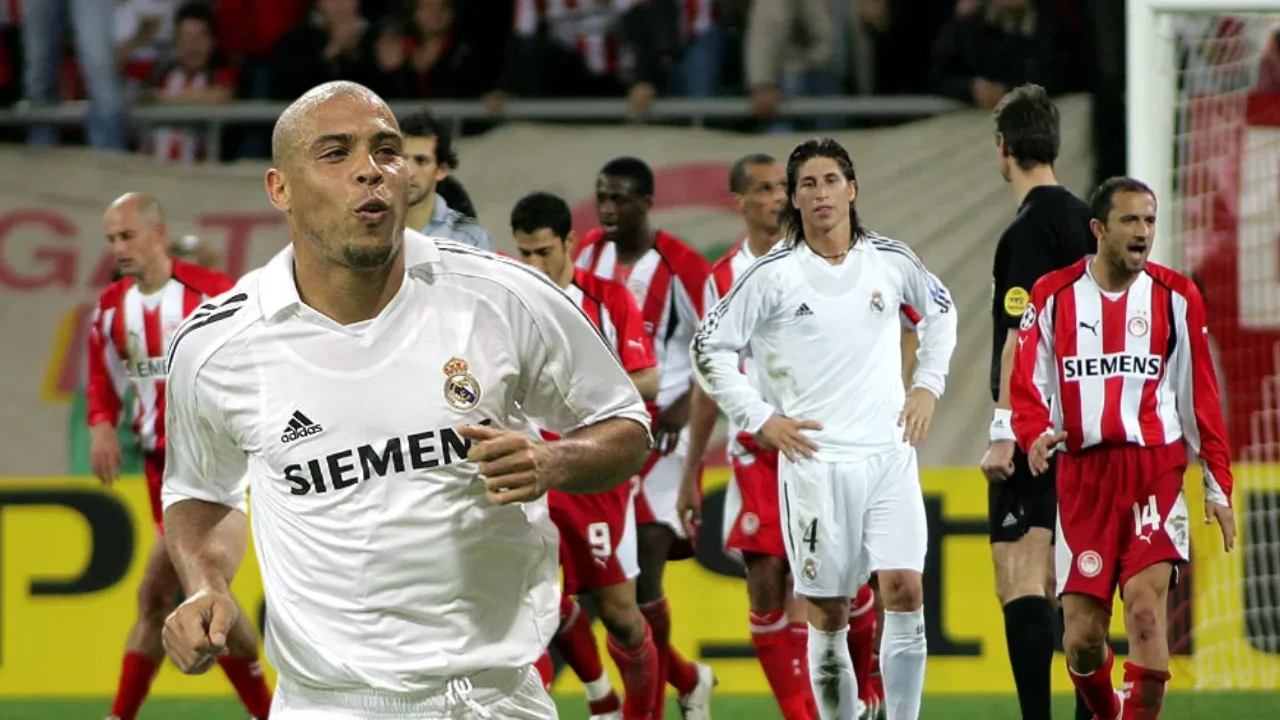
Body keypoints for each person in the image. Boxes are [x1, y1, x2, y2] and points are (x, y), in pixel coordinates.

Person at [159, 81, 652, 719]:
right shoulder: (217, 346)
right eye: (335, 153)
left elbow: (627, 424)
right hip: (330, 704)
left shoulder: (503, 295)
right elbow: (202, 492)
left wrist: (553, 463)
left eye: (387, 151)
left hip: (498, 698)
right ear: (279, 188)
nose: (371, 169)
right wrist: (205, 585)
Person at [691, 138, 958, 720]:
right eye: (808, 183)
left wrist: (926, 386)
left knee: (905, 593)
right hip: (815, 466)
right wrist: (760, 418)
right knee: (830, 611)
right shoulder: (771, 275)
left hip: (888, 457)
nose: (821, 193)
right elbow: (708, 347)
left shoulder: (891, 260)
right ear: (795, 198)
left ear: (852, 188)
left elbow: (942, 313)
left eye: (832, 179)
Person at [1011, 176, 1237, 720]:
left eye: (1150, 221)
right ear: (1098, 229)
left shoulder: (1176, 296)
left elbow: (1199, 399)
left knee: (1145, 613)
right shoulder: (1053, 296)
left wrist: (1217, 484)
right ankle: (1110, 710)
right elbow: (1027, 384)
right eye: (1131, 221)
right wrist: (1034, 433)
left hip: (1152, 473)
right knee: (1083, 641)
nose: (1143, 233)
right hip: (1083, 477)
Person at [86, 192, 272, 720]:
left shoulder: (211, 294)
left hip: (206, 467)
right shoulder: (111, 307)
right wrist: (102, 426)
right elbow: (103, 376)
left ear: (157, 234)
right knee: (200, 593)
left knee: (158, 594)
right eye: (111, 239)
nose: (119, 248)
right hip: (154, 466)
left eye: (127, 236)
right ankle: (267, 712)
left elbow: (256, 363)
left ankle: (120, 716)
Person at [676, 153, 824, 720]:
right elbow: (707, 379)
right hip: (757, 452)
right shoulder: (722, 279)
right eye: (763, 190)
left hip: (819, 447)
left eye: (781, 188)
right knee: (765, 580)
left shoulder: (819, 262)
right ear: (739, 203)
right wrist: (692, 471)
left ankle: (865, 692)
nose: (778, 199)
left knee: (831, 585)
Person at [574, 156, 716, 717]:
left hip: (666, 443)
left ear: (646, 202)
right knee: (607, 589)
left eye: (621, 199)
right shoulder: (588, 253)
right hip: (609, 434)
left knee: (647, 575)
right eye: (602, 197)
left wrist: (681, 406)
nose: (608, 209)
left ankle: (645, 711)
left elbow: (717, 351)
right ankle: (686, 678)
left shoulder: (682, 267)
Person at [511, 190, 661, 720]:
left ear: (570, 243)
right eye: (523, 253)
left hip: (592, 471)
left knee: (620, 613)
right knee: (536, 604)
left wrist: (580, 390)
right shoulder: (506, 300)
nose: (532, 264)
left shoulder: (607, 300)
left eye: (543, 252)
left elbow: (649, 377)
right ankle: (600, 702)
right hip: (528, 473)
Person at [976, 83, 1094, 720]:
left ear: (1004, 148)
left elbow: (1021, 333)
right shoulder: (1089, 222)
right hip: (1092, 426)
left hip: (1035, 427)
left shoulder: (1027, 231)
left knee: (1019, 574)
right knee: (1072, 587)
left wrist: (1003, 429)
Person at [399, 108, 491, 249]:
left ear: (441, 170)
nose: (409, 171)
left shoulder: (470, 238)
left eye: (421, 161)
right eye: (402, 159)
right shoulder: (368, 228)